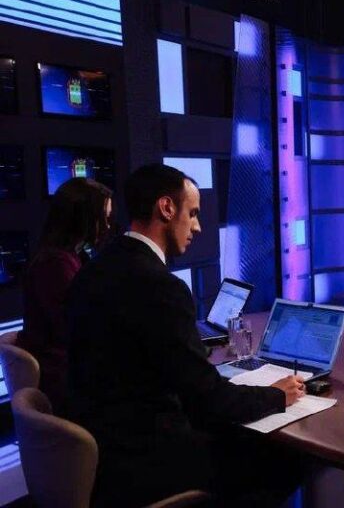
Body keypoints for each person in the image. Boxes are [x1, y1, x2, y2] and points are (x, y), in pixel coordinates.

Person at [67, 164, 306, 507]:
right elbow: (209, 399)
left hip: (101, 453)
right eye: (192, 213)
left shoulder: (92, 271)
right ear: (166, 208)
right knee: (288, 459)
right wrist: (276, 395)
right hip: (146, 462)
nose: (197, 226)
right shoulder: (161, 287)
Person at [17, 177, 113, 414]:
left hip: (68, 368)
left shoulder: (68, 257)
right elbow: (75, 330)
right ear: (84, 218)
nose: (108, 226)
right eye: (104, 218)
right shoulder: (55, 264)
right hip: (63, 379)